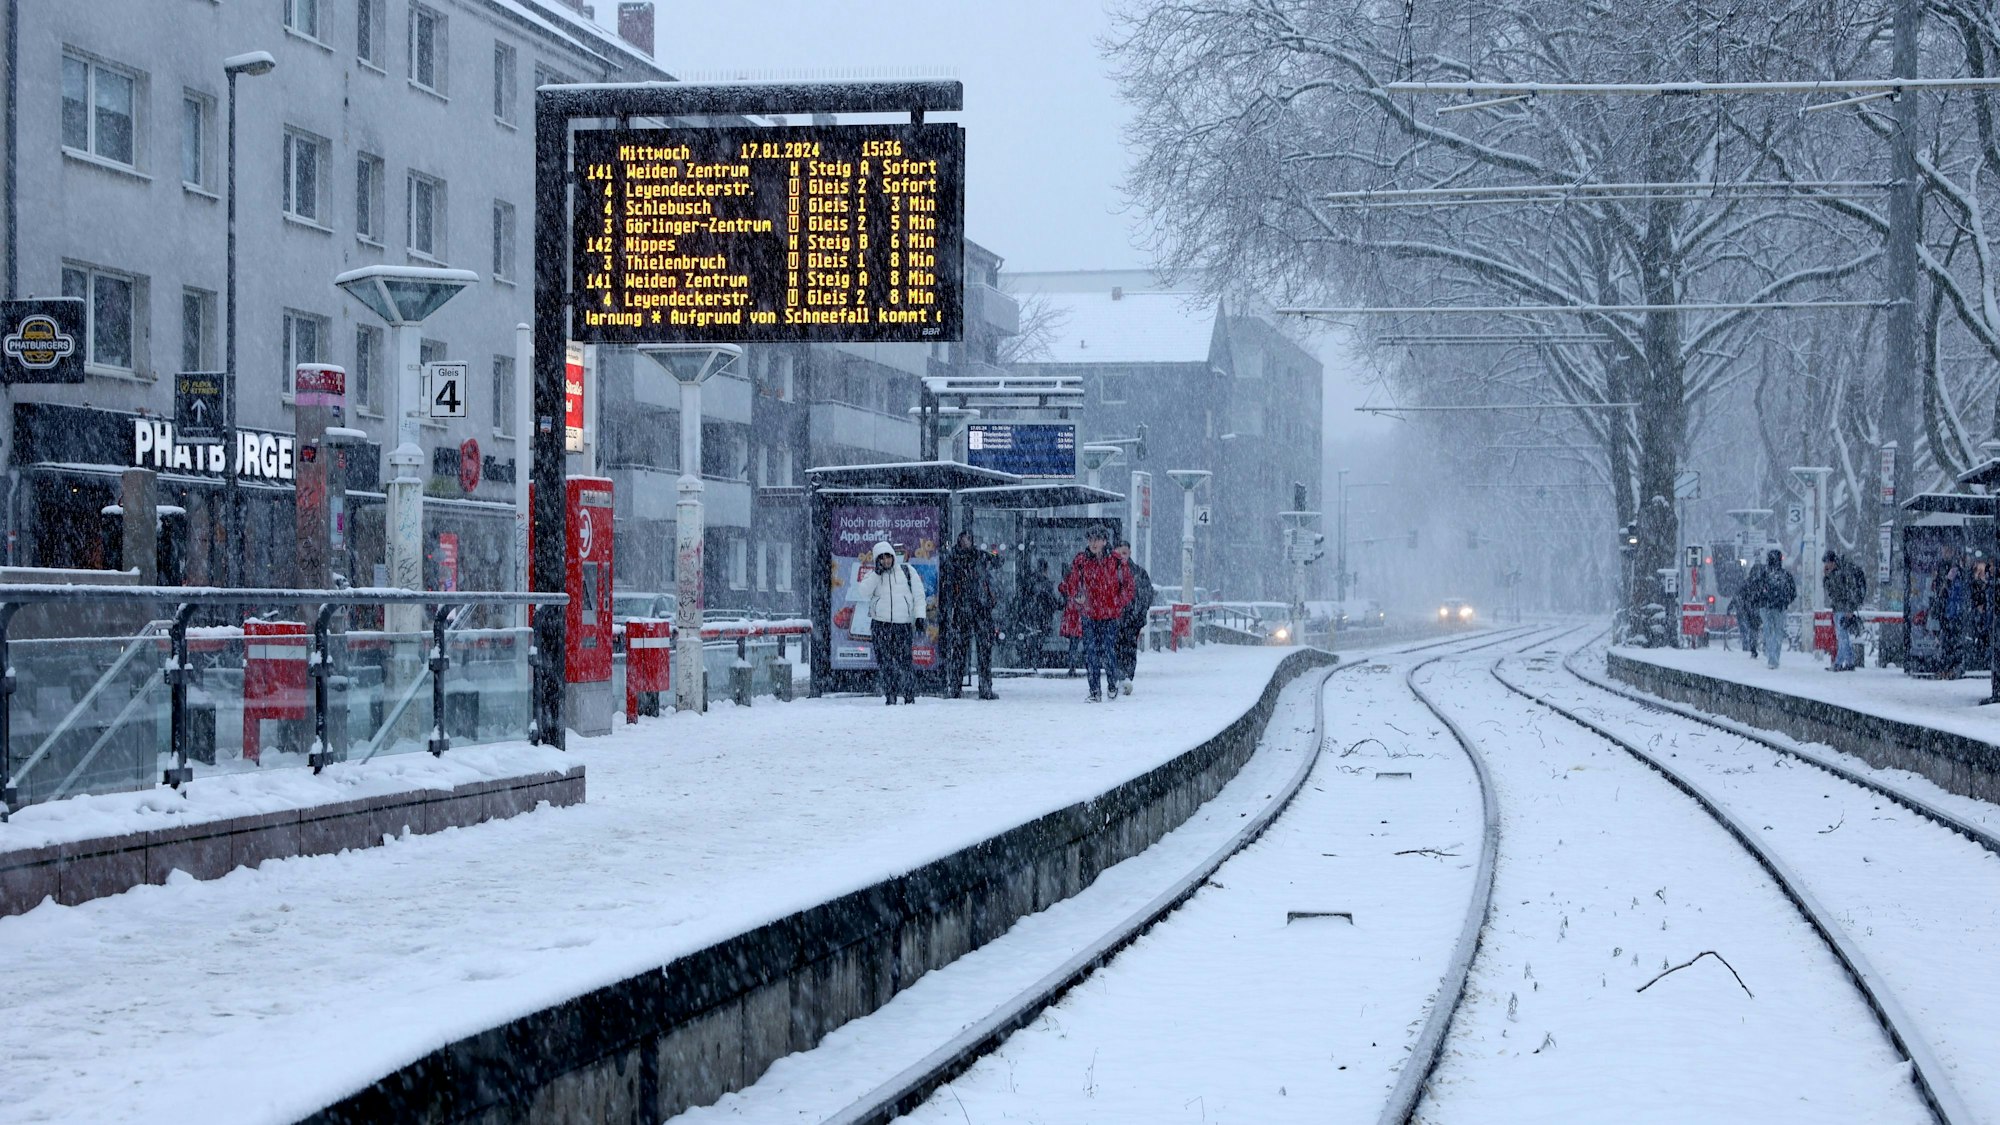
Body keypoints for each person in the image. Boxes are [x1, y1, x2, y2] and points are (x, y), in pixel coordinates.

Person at [1060, 525, 1135, 702]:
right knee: (1091, 653)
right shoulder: (1081, 561)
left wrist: (1118, 603)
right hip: (1089, 614)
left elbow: (1128, 586)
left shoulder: (1116, 561)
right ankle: (1094, 690)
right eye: (1091, 539)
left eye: (1097, 539)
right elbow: (1072, 584)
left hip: (1110, 615)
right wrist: (1077, 597)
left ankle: (1111, 682)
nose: (1094, 543)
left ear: (1104, 541)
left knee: (1108, 651)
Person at [854, 540, 925, 704]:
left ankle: (909, 696)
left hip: (903, 624)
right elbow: (863, 592)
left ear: (893, 556)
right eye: (882, 558)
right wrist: (876, 574)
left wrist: (920, 616)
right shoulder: (873, 576)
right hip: (881, 625)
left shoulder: (907, 571)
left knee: (905, 662)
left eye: (888, 557)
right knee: (885, 663)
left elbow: (919, 595)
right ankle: (890, 696)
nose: (886, 561)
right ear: (877, 559)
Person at [941, 531, 999, 700]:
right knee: (961, 649)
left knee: (982, 649)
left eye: (970, 539)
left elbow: (996, 562)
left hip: (978, 607)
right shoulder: (957, 557)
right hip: (965, 608)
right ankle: (957, 686)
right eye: (965, 539)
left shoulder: (975, 555)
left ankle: (983, 686)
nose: (968, 542)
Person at [1111, 540, 1154, 695]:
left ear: (1129, 553)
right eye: (1119, 552)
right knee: (1114, 649)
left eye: (1124, 552)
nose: (1122, 556)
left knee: (1129, 648)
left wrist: (1139, 613)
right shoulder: (1110, 571)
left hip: (1132, 620)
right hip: (1114, 619)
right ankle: (1117, 677)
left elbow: (1147, 594)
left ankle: (1127, 677)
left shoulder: (1139, 573)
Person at [1823, 549, 1868, 671]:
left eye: (1827, 562)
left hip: (1843, 609)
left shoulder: (1842, 573)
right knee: (1843, 637)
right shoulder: (1833, 574)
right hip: (1838, 608)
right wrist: (1826, 577)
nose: (1826, 565)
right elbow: (1830, 591)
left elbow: (1849, 591)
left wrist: (1849, 609)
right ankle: (1850, 661)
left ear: (1832, 562)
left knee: (1842, 637)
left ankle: (1838, 663)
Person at [1753, 548, 1797, 669]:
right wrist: (1786, 602)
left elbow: (1756, 590)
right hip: (1780, 608)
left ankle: (1771, 656)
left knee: (1769, 632)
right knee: (1778, 633)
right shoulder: (1785, 575)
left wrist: (1760, 602)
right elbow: (1793, 592)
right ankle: (1775, 658)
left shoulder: (1764, 574)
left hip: (1765, 607)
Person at [1734, 559, 1765, 658]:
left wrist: (1742, 605)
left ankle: (1751, 647)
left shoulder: (1747, 582)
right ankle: (1763, 647)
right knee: (1760, 628)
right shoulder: (1762, 583)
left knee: (1751, 629)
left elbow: (1740, 594)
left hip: (1749, 609)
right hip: (1759, 608)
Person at [1058, 560, 1084, 676]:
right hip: (1082, 612)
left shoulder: (1070, 577)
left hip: (1071, 612)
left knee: (1073, 643)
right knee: (1087, 641)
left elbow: (1062, 588)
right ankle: (1089, 665)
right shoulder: (1084, 577)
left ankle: (1072, 666)